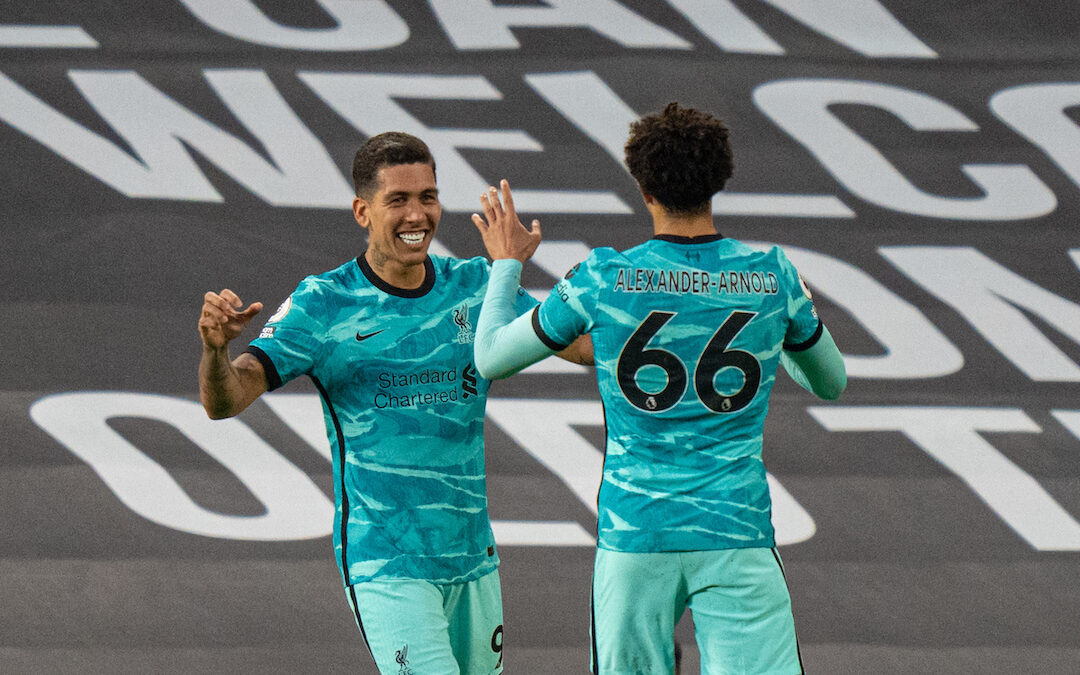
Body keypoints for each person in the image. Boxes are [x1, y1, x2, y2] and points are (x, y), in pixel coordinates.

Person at [471, 103, 847, 674]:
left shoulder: (604, 277)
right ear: (719, 181)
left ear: (643, 188)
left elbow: (492, 357)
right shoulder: (773, 275)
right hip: (736, 531)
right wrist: (780, 343)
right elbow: (832, 382)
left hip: (635, 534)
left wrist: (505, 263)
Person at [197, 131, 590, 675]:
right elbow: (227, 400)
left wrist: (610, 291)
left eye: (428, 197)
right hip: (387, 563)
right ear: (363, 210)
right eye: (398, 200)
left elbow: (583, 347)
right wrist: (216, 351)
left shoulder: (477, 287)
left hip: (472, 558)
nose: (417, 215)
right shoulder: (325, 303)